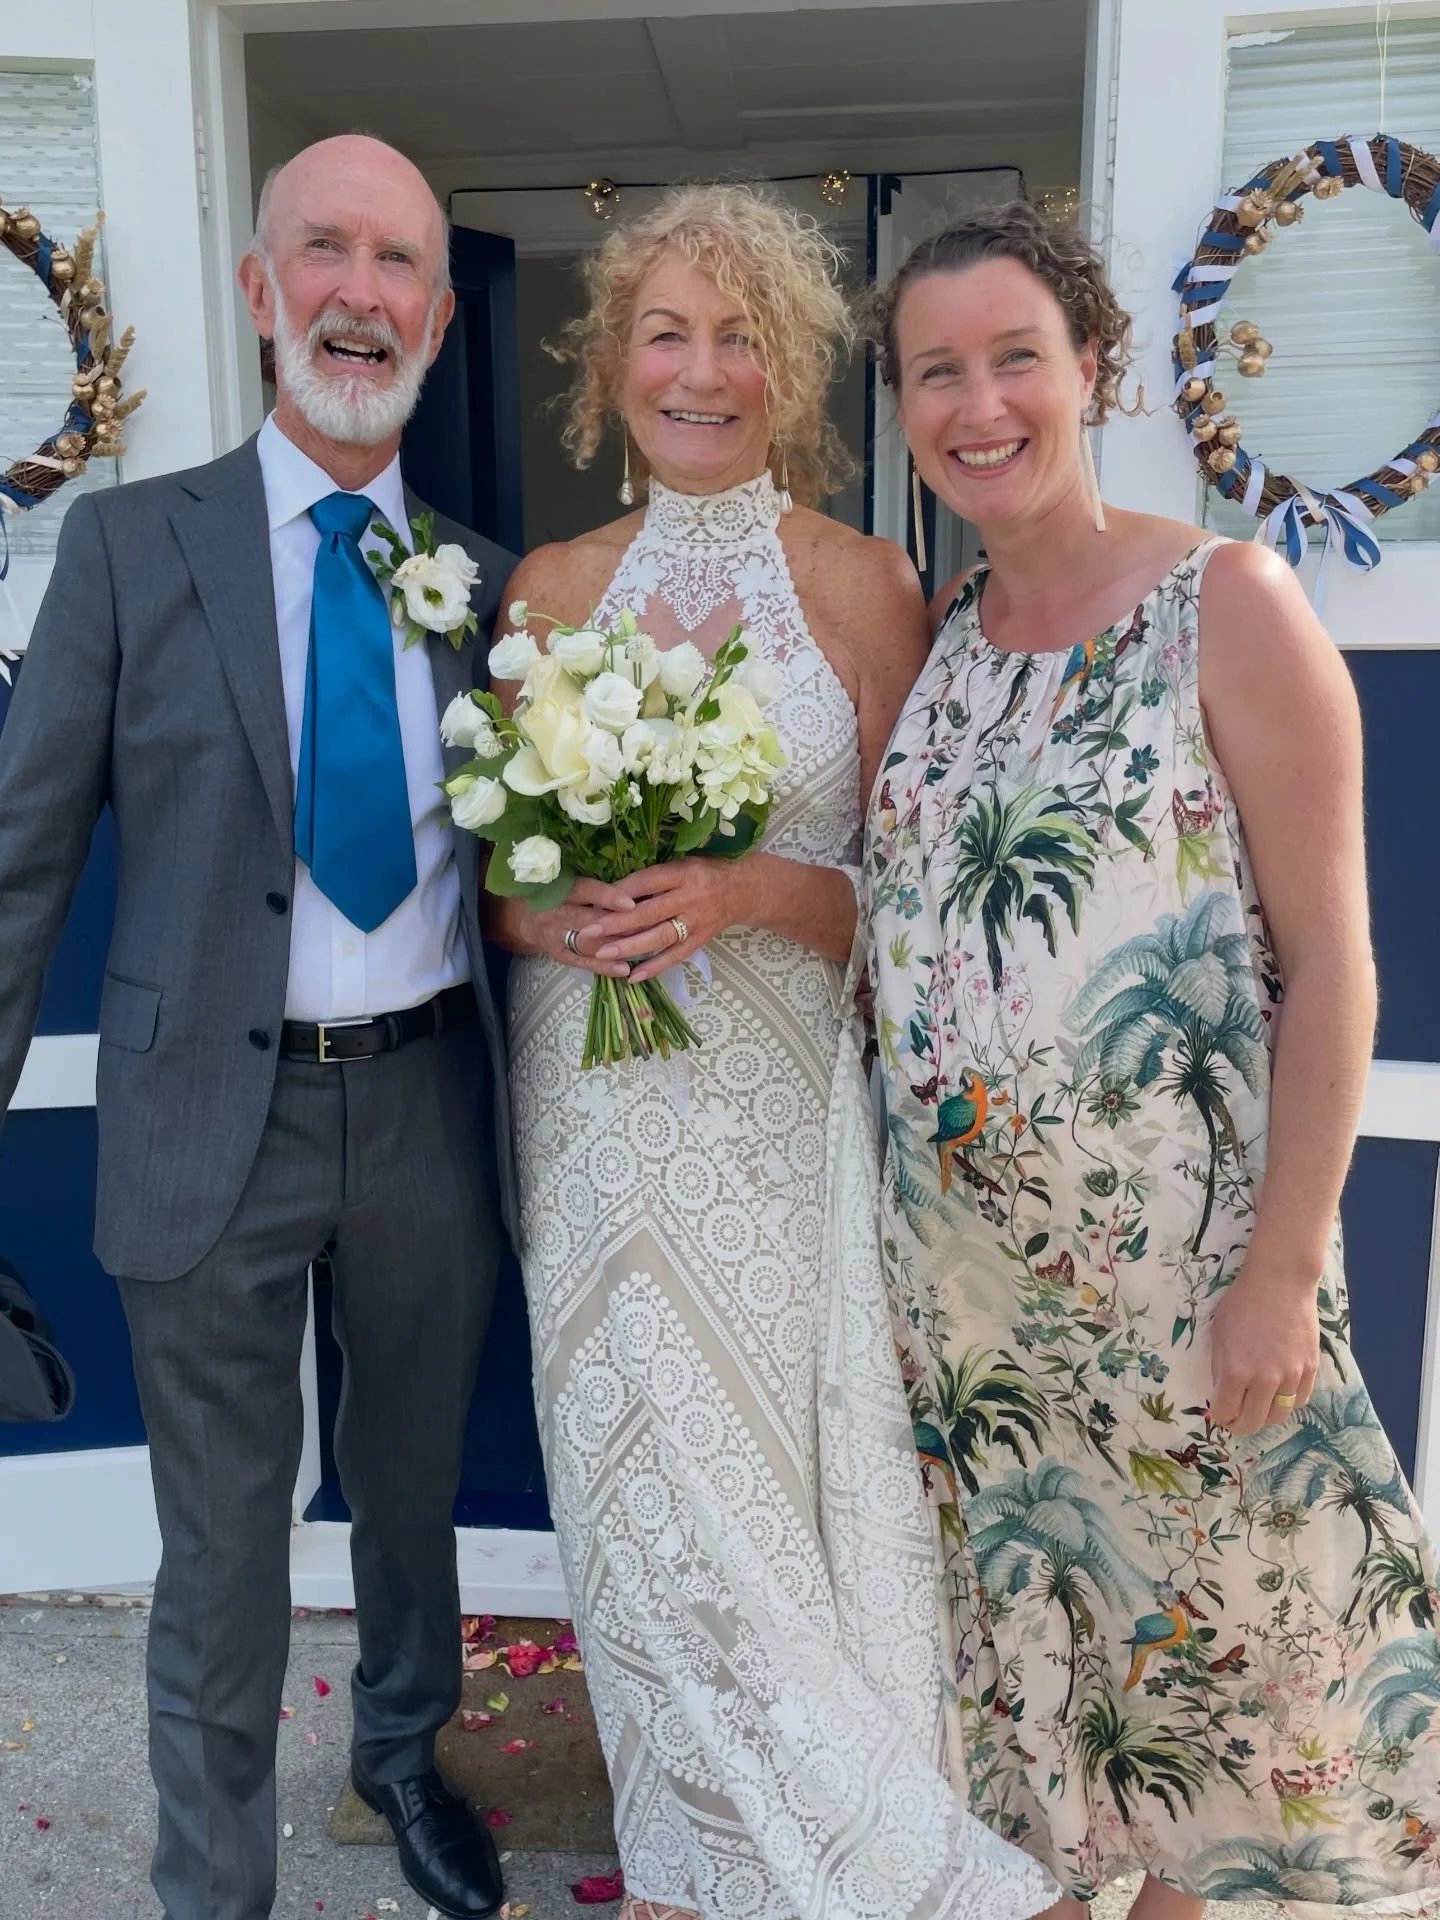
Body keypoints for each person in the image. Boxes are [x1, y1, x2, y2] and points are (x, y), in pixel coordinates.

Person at [863, 199, 1440, 1918]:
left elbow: (1336, 972)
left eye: (1016, 358)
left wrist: (1284, 1267)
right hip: (980, 1319)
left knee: (1251, 1687)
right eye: (936, 372)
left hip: (1192, 1304)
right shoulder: (945, 635)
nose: (980, 404)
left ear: (1094, 368)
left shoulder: (1230, 606)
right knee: (1077, 1710)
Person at [488, 185, 1057, 1920]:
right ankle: (682, 1859)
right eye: (668, 330)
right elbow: (501, 892)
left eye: (743, 335)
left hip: (773, 1113)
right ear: (611, 361)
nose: (703, 370)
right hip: (591, 1108)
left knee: (761, 1499)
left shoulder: (864, 583)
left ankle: (869, 1860)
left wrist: (736, 890)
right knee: (630, 1489)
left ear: (793, 367)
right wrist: (570, 918)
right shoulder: (550, 583)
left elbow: (908, 896)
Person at [0, 135, 516, 1920]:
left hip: (431, 1109)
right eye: (325, 251)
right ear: (258, 286)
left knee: (407, 1491)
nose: (359, 293)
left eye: (397, 264)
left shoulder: (493, 585)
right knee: (219, 1550)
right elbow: (19, 866)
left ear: (440, 318)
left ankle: (400, 1751)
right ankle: (211, 1887)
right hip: (202, 1126)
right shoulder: (131, 545)